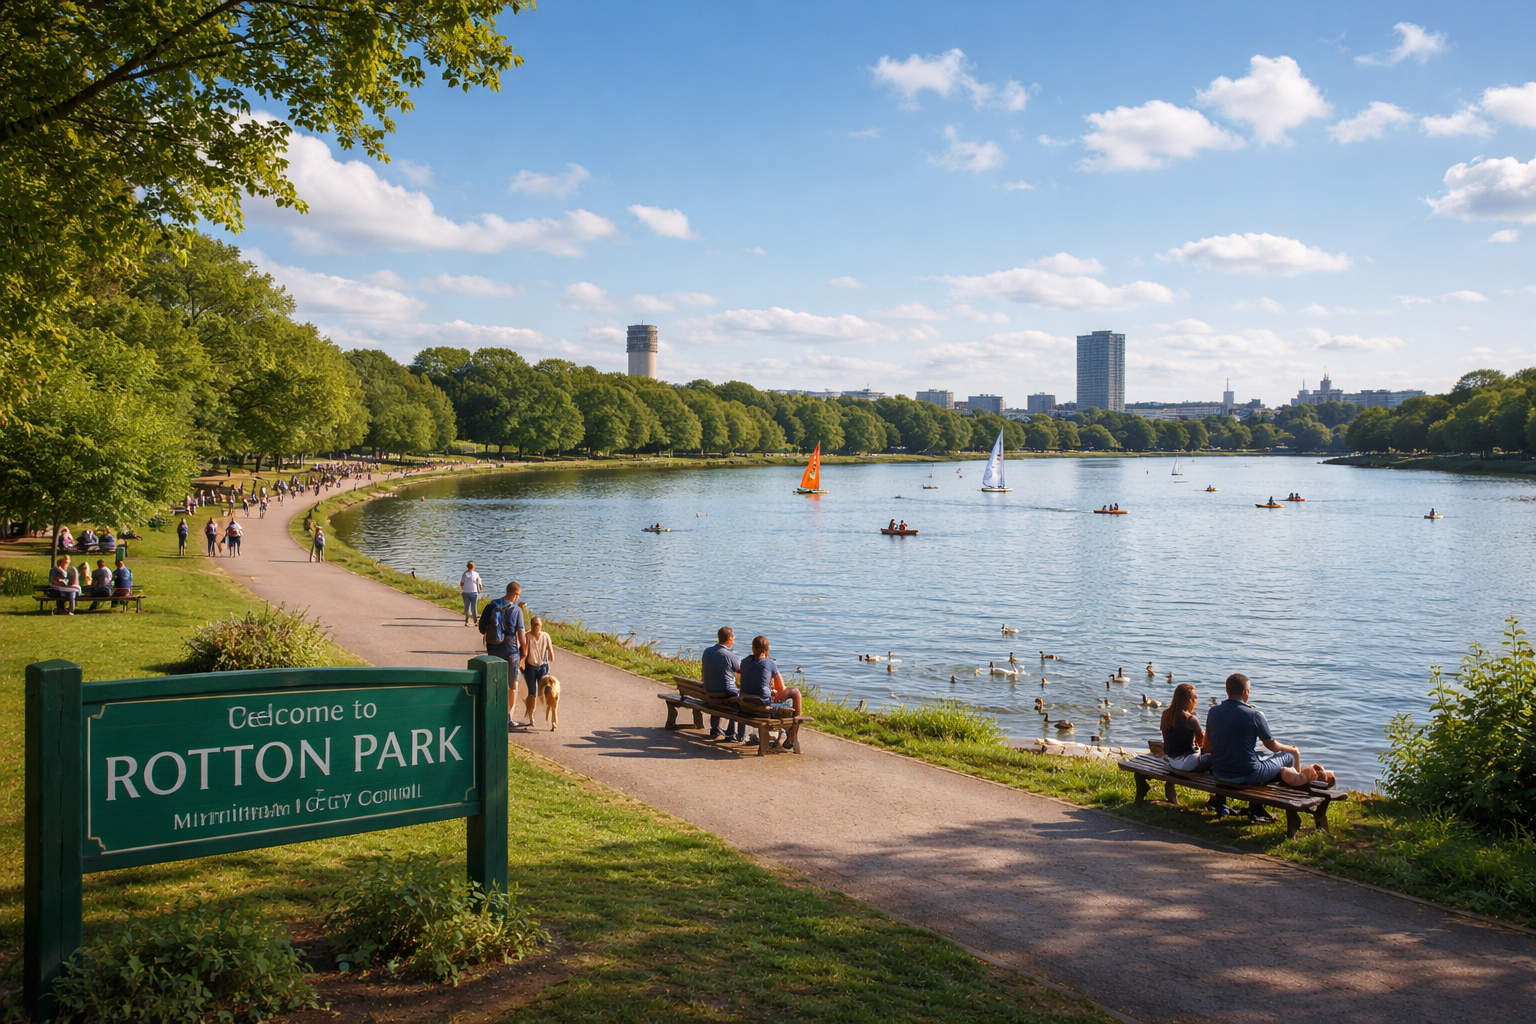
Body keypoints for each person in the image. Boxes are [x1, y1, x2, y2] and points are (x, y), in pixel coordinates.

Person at [1205, 673, 1315, 819]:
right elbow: (1273, 747)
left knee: (1261, 756)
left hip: (1220, 772)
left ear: (1227, 691)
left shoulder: (1213, 712)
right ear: (1246, 692)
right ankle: (1274, 803)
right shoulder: (1255, 715)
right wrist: (1293, 750)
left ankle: (1233, 805)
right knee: (1287, 757)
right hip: (1247, 774)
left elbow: (1207, 747)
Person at [737, 635, 802, 749]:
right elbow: (781, 689)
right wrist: (775, 690)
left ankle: (790, 735)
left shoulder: (744, 662)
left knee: (781, 698)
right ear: (767, 650)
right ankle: (792, 735)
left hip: (745, 707)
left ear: (752, 648)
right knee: (795, 692)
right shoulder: (770, 663)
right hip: (764, 709)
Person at [478, 582, 525, 722]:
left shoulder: (491, 605)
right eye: (519, 595)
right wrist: (525, 651)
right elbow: (521, 634)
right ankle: (509, 716)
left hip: (494, 648)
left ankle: (494, 713)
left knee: (495, 680)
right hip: (511, 651)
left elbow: (481, 629)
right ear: (515, 594)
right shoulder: (517, 611)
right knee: (513, 683)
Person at [701, 626, 743, 742]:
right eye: (733, 638)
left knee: (718, 688)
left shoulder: (707, 651)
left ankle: (715, 729)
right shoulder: (728, 654)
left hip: (710, 692)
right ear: (729, 638)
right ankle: (732, 733)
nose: (733, 641)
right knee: (738, 699)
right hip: (726, 693)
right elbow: (741, 669)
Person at [1160, 683, 1210, 772]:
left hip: (1172, 761)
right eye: (1195, 698)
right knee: (1216, 758)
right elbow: (1202, 744)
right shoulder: (1191, 719)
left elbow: (1165, 739)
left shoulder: (1165, 715)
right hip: (1189, 763)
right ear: (1190, 700)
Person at [520, 616, 554, 726]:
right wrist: (522, 662)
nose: (536, 627)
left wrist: (551, 657)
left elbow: (550, 650)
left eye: (538, 624)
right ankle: (531, 716)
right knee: (532, 692)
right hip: (530, 667)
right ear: (531, 626)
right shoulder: (527, 636)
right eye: (534, 624)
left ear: (541, 625)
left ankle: (548, 711)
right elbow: (524, 650)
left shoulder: (546, 636)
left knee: (543, 691)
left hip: (542, 666)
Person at [460, 560, 482, 625]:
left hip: (466, 592)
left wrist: (463, 588)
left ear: (467, 567)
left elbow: (461, 583)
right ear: (473, 567)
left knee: (466, 607)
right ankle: (475, 621)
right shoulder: (476, 574)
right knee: (473, 607)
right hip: (474, 592)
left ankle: (466, 621)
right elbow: (479, 583)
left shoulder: (465, 574)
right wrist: (479, 590)